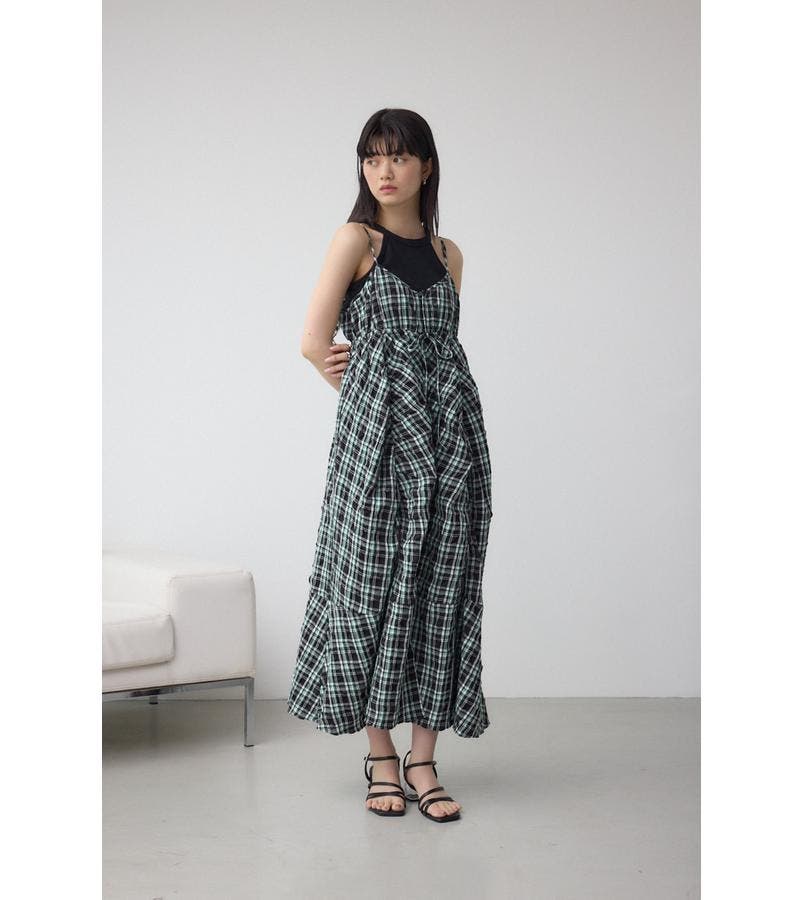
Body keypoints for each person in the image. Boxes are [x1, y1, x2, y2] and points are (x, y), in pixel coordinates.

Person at [287, 108, 493, 823]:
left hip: (452, 439)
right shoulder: (356, 240)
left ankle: (424, 759)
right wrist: (367, 389)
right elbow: (314, 340)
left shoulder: (448, 254)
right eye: (372, 157)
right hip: (376, 446)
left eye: (400, 157)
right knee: (369, 581)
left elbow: (441, 349)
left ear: (426, 167)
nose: (385, 170)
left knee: (442, 585)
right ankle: (380, 754)